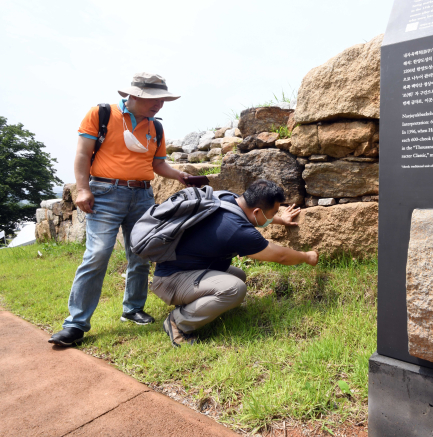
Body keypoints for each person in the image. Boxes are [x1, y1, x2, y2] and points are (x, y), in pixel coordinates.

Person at [49, 73, 191, 346]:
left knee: (141, 253)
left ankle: (133, 308)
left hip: (142, 195)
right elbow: (82, 154)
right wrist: (82, 189)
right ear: (134, 96)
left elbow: (158, 164)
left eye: (162, 100)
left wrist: (180, 175)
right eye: (154, 99)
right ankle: (76, 324)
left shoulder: (155, 128)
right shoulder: (101, 114)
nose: (159, 105)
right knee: (98, 253)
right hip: (104, 193)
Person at [151, 179, 318, 347]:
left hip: (177, 269)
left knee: (238, 275)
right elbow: (280, 256)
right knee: (234, 289)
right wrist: (307, 257)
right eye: (273, 213)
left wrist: (281, 220)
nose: (273, 217)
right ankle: (177, 323)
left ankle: (196, 307)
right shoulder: (237, 230)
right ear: (257, 210)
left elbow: (256, 216)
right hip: (170, 281)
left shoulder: (227, 198)